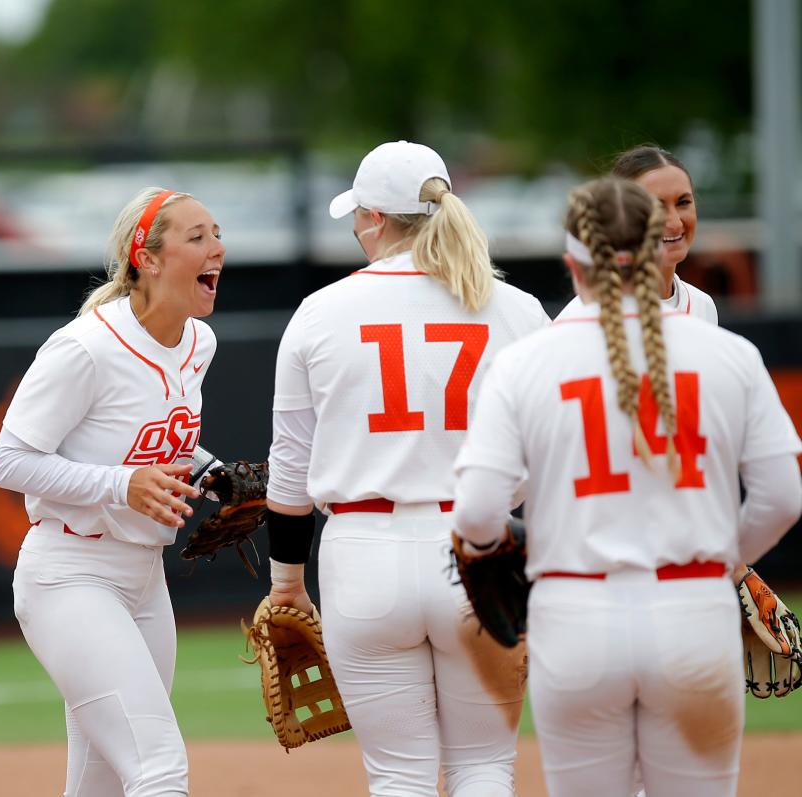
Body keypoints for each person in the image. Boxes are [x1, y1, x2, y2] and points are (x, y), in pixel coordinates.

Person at [452, 177, 802, 797]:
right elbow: (782, 497)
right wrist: (722, 554)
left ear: (571, 263)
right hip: (694, 612)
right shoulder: (729, 354)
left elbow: (479, 510)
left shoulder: (526, 361)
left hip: (577, 616)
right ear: (657, 249)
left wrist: (501, 555)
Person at [263, 141, 549, 795]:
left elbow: (289, 472)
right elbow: (548, 453)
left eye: (357, 216)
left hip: (363, 554)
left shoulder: (320, 312)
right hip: (481, 545)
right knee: (484, 766)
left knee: (399, 777)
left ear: (374, 219)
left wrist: (286, 582)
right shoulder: (519, 308)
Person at [0, 187, 225, 796]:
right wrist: (123, 485)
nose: (217, 250)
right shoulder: (85, 346)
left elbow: (157, 440)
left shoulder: (198, 343)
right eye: (196, 238)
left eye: (216, 235)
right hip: (70, 573)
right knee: (159, 768)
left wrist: (213, 472)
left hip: (144, 579)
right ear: (145, 258)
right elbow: (8, 461)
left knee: (104, 785)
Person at [558, 145, 716, 322]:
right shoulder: (578, 317)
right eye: (656, 206)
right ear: (621, 214)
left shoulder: (703, 306)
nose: (675, 222)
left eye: (683, 202)